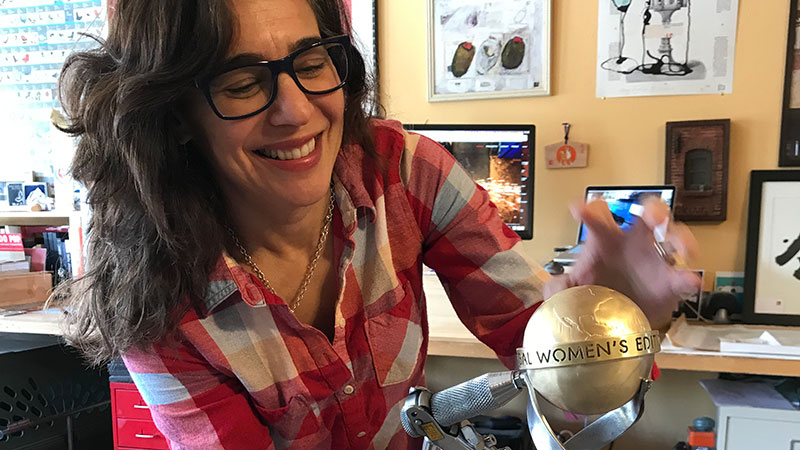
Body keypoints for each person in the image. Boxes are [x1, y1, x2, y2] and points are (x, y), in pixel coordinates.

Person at [51, 0, 700, 448]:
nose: (296, 110)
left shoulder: (404, 171)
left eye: (312, 61)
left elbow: (551, 371)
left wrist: (613, 321)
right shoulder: (148, 290)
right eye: (241, 79)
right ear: (173, 112)